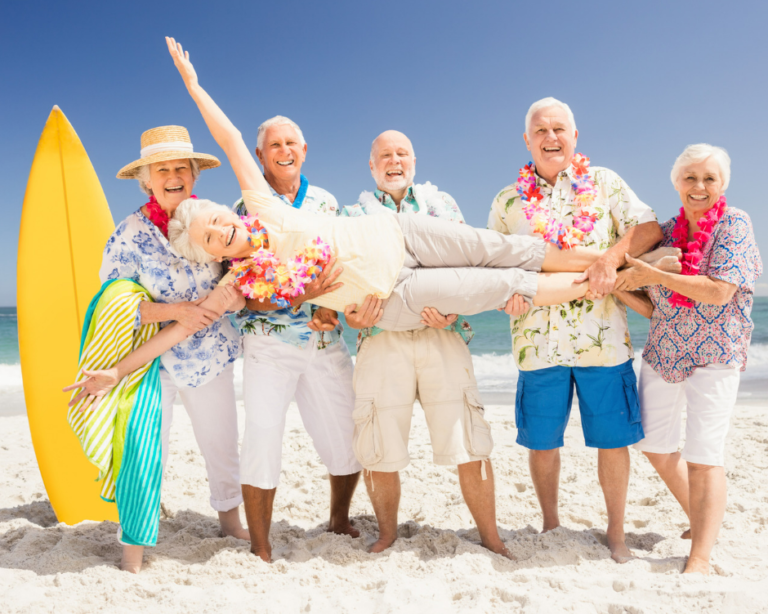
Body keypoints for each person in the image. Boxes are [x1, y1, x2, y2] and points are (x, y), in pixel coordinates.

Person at [163, 37, 605, 323]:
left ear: (223, 211)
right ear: (208, 253)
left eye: (215, 220)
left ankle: (607, 261)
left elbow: (232, 139)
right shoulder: (241, 279)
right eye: (210, 238)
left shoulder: (260, 207)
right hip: (393, 291)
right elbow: (200, 315)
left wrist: (194, 87)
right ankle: (612, 282)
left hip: (401, 232)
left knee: (508, 250)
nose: (221, 230)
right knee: (500, 284)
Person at [308, 129, 513, 557]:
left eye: (402, 154)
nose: (394, 161)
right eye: (385, 155)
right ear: (371, 165)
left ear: (414, 162)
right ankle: (386, 534)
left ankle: (491, 536)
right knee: (378, 443)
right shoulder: (352, 215)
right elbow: (343, 283)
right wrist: (349, 315)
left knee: (469, 441)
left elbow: (469, 266)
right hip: (381, 340)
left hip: (443, 335)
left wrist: (457, 312)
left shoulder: (444, 206)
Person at [487, 97, 664, 563]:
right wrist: (503, 293)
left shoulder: (604, 182)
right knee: (542, 440)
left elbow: (648, 228)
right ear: (527, 140)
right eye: (541, 131)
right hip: (536, 341)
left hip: (602, 337)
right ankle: (550, 524)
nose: (551, 138)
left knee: (613, 438)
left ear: (575, 136)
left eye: (559, 129)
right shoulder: (507, 201)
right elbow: (493, 262)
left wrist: (609, 257)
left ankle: (617, 533)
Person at [97, 125, 248, 570]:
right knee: (144, 452)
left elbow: (245, 271)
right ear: (147, 180)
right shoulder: (127, 235)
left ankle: (229, 519)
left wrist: (230, 296)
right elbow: (114, 303)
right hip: (150, 363)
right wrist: (175, 312)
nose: (173, 175)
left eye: (182, 167)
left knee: (221, 443)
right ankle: (133, 547)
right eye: (162, 169)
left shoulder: (217, 217)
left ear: (195, 175)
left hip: (210, 354)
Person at [613, 144, 762, 575]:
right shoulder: (663, 232)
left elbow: (719, 291)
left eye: (709, 179)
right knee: (655, 445)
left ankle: (699, 556)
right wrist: (620, 285)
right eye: (690, 178)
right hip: (664, 351)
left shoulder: (735, 224)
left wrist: (653, 274)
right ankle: (702, 520)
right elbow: (651, 301)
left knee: (703, 454)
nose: (699, 187)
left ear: (722, 184)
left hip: (717, 353)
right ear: (677, 182)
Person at [229, 115, 361, 562]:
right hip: (269, 343)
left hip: (325, 341)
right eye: (274, 145)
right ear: (261, 154)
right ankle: (261, 545)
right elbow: (243, 292)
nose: (284, 151)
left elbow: (347, 266)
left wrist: (331, 305)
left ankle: (339, 519)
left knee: (347, 432)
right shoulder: (245, 209)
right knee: (263, 436)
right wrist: (304, 296)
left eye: (291, 144)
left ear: (304, 151)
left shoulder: (326, 202)